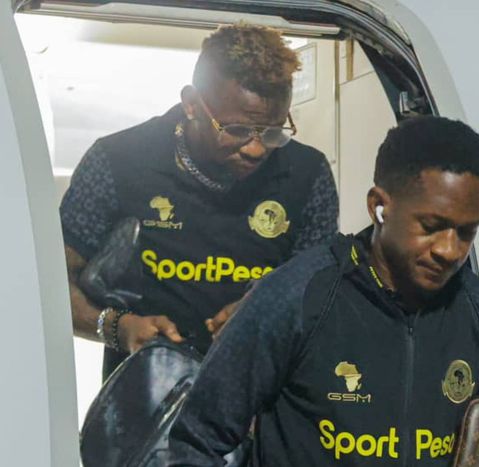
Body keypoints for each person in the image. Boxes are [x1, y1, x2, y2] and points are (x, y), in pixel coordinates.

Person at [167, 116, 479, 465]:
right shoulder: (296, 297)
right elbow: (198, 440)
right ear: (379, 206)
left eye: (466, 232)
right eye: (431, 226)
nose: (449, 250)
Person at [60, 24, 338, 379]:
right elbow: (53, 285)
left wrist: (270, 313)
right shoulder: (118, 162)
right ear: (191, 104)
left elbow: (324, 293)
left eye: (273, 132)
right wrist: (117, 327)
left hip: (261, 394)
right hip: (147, 395)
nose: (256, 150)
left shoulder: (307, 174)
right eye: (236, 130)